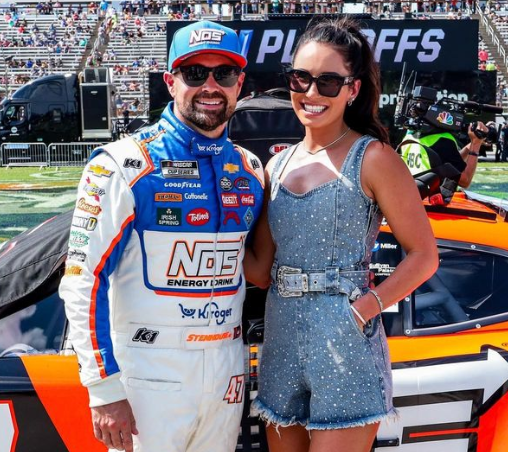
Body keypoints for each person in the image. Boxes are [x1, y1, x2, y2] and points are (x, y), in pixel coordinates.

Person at [59, 20, 264, 452]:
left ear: (240, 84)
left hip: (227, 368)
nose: (210, 86)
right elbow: (82, 279)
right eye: (195, 73)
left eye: (224, 73)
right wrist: (102, 387)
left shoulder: (251, 170)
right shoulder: (120, 164)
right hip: (146, 370)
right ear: (171, 82)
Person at [244, 17, 438, 452]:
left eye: (328, 82)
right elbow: (260, 271)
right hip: (280, 339)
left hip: (346, 342)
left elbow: (424, 255)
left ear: (353, 89)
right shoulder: (276, 166)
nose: (311, 93)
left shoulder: (374, 158)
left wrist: (364, 309)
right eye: (301, 78)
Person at [400, 121, 489, 203]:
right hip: (433, 204)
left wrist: (474, 142)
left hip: (412, 198)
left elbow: (447, 166)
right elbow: (465, 180)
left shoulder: (410, 135)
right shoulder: (442, 139)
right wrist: (476, 144)